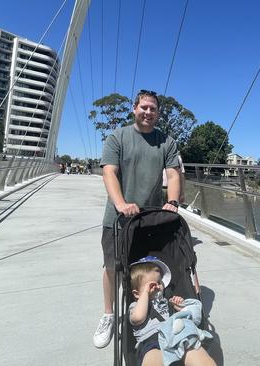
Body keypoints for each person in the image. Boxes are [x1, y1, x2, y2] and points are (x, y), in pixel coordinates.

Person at [93, 90, 182, 349]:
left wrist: (172, 202)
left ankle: (151, 305)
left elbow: (173, 175)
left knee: (149, 267)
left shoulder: (166, 141)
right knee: (112, 266)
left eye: (153, 109)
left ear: (158, 113)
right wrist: (120, 204)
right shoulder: (117, 137)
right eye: (144, 107)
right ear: (134, 109)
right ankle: (109, 314)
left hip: (150, 219)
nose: (148, 112)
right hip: (118, 219)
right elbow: (109, 172)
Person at [129, 257, 215, 366]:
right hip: (152, 340)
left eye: (159, 282)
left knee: (196, 352)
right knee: (153, 358)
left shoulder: (167, 301)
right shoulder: (135, 306)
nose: (157, 287)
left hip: (177, 335)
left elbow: (186, 315)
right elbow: (138, 317)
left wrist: (180, 307)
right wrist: (145, 292)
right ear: (136, 294)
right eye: (151, 285)